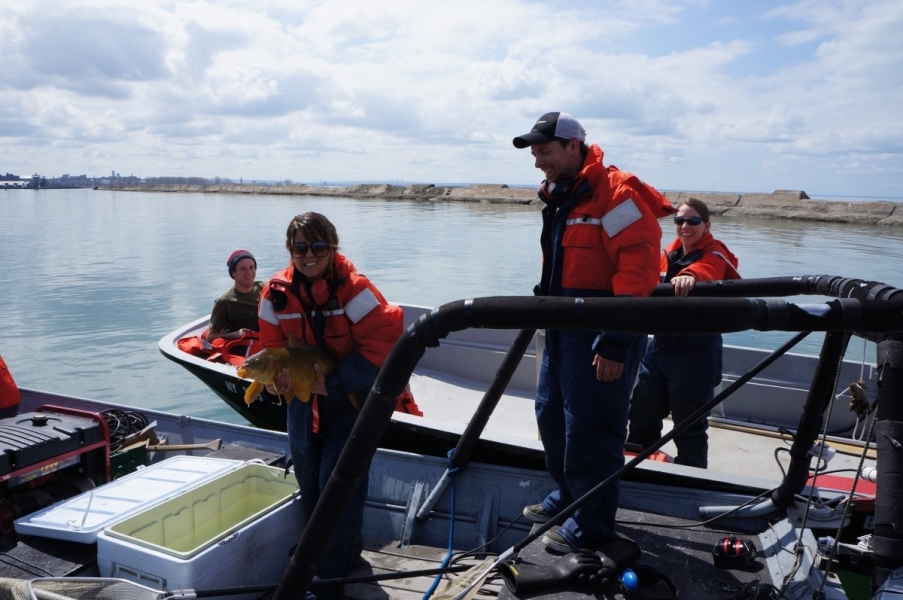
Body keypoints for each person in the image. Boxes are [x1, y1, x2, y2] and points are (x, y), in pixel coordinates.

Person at [512, 112, 675, 553]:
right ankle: (569, 497)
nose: (537, 163)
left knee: (593, 430)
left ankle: (592, 524)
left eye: (544, 152)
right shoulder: (564, 195)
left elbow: (638, 271)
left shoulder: (617, 195)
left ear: (572, 146)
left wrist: (616, 341)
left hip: (602, 336)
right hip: (562, 332)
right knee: (551, 418)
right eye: (534, 154)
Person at [256, 212, 403, 599]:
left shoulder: (354, 290)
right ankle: (330, 553)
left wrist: (335, 384)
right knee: (309, 480)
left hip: (348, 400)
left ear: (332, 248)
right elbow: (270, 350)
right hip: (302, 406)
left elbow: (385, 343)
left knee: (339, 487)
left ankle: (331, 574)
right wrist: (275, 386)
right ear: (290, 250)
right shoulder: (273, 294)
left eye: (318, 247)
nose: (309, 255)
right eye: (300, 247)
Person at [627, 199, 740, 468]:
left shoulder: (716, 252)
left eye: (693, 221)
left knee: (688, 427)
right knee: (641, 415)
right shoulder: (668, 253)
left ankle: (692, 479)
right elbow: (646, 274)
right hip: (659, 348)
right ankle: (638, 469)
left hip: (696, 352)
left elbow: (710, 268)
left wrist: (690, 276)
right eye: (679, 221)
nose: (685, 226)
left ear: (707, 225)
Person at [206, 249, 264, 343]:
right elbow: (210, 337)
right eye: (243, 269)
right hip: (247, 347)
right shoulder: (225, 302)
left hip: (270, 342)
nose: (249, 272)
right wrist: (235, 334)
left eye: (251, 267)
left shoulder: (265, 288)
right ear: (233, 273)